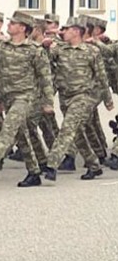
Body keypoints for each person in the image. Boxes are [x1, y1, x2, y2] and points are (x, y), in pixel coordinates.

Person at [0, 11, 54, 187]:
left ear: (22, 28)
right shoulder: (2, 47)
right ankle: (34, 173)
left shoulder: (35, 51)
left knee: (9, 124)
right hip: (8, 97)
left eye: (13, 23)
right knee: (22, 135)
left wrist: (48, 102)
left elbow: (45, 78)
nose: (8, 25)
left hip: (26, 97)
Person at [42, 17, 114, 182]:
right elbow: (43, 60)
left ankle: (51, 164)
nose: (63, 32)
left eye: (66, 29)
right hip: (65, 98)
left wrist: (108, 99)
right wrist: (45, 47)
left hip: (83, 97)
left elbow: (102, 77)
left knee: (67, 129)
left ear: (76, 31)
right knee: (77, 134)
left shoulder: (92, 51)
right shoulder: (59, 50)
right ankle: (94, 165)